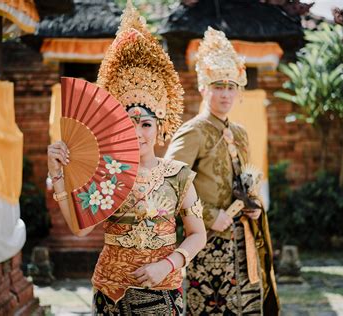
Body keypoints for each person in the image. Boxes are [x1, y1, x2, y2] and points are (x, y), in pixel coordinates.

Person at [47, 3, 206, 315]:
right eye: (128, 123)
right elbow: (79, 230)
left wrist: (169, 263)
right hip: (110, 293)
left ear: (160, 128)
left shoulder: (178, 175)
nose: (137, 132)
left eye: (145, 124)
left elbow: (197, 234)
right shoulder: (106, 174)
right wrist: (59, 177)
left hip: (161, 294)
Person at [165, 27, 279, 315]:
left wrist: (255, 207)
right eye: (218, 86)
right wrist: (206, 215)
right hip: (208, 242)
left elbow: (246, 182)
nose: (225, 94)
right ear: (203, 88)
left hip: (244, 238)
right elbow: (167, 182)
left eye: (231, 87)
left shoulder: (239, 133)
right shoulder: (193, 131)